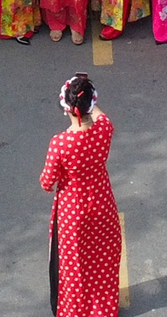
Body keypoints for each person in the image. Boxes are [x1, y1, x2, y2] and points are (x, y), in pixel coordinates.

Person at [39, 73, 121, 317]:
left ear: (66, 108)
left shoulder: (60, 143)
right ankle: (103, 309)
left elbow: (46, 182)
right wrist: (88, 95)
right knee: (103, 257)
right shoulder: (104, 130)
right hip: (102, 204)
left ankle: (77, 311)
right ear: (91, 104)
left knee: (76, 265)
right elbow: (100, 115)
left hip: (72, 212)